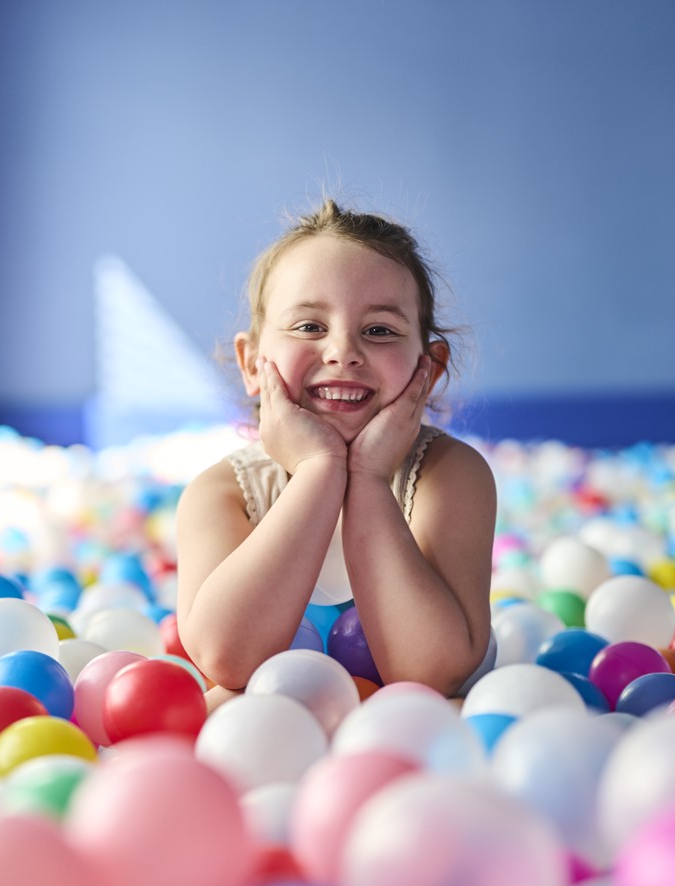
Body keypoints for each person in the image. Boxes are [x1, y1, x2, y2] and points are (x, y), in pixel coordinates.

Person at [175, 199, 496, 703]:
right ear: (252, 363)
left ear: (429, 369)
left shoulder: (450, 475)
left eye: (380, 330)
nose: (342, 351)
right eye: (309, 327)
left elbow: (433, 673)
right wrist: (318, 470)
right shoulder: (224, 493)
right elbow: (227, 658)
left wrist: (367, 477)